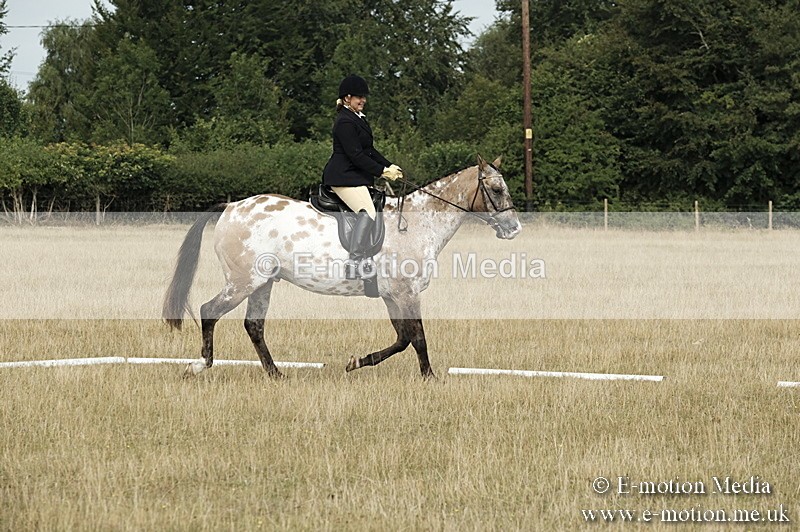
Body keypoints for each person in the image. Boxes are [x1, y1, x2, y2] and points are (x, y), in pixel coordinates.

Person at [322, 74, 402, 279]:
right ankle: (354, 262)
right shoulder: (344, 122)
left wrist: (389, 164)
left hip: (354, 176)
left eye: (364, 97)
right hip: (342, 177)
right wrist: (382, 172)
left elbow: (369, 150)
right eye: (359, 97)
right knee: (367, 210)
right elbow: (356, 155)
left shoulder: (358, 118)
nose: (363, 100)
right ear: (347, 98)